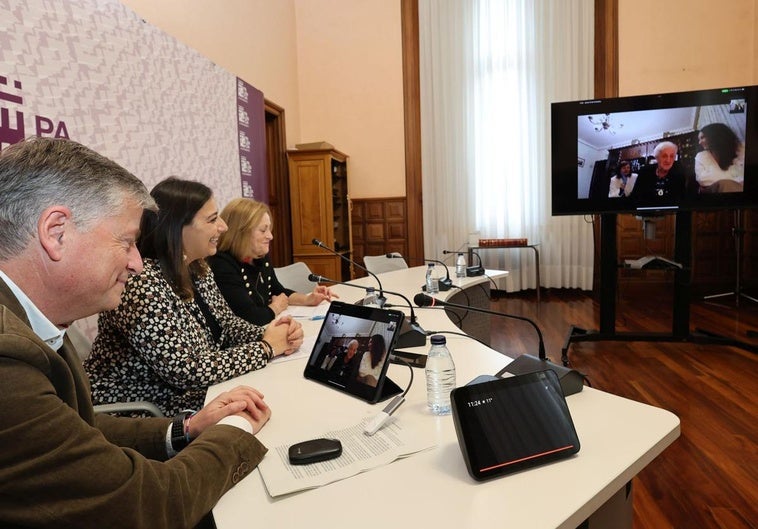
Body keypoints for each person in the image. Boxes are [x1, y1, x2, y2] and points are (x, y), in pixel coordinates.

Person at [0, 137, 272, 528]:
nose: (137, 264)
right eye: (126, 242)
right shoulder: (8, 358)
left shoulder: (35, 323)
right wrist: (236, 430)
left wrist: (187, 428)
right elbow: (151, 503)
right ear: (56, 232)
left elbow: (81, 427)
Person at [85, 178, 304, 416]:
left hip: (194, 394)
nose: (223, 227)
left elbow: (227, 325)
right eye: (212, 220)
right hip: (143, 412)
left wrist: (274, 334)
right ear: (177, 228)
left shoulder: (198, 268)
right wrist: (266, 348)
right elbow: (185, 369)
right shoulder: (140, 283)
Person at [208, 197, 337, 325]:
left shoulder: (260, 257)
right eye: (263, 230)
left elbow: (278, 290)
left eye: (269, 229)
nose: (270, 236)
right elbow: (249, 317)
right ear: (240, 233)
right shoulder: (222, 265)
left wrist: (308, 299)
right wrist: (275, 308)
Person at [695, 122, 745, 193]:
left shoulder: (741, 148)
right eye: (699, 139)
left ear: (715, 135)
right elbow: (702, 180)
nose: (699, 142)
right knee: (725, 185)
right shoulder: (701, 156)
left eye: (702, 137)